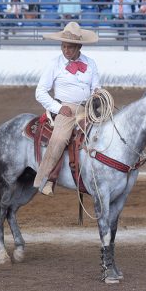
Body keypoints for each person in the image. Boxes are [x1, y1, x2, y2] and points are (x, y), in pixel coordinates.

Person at [34, 22, 100, 196]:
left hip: (87, 108)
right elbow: (40, 91)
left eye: (69, 47)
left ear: (79, 46)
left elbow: (96, 87)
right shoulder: (54, 64)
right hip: (67, 108)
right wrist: (58, 107)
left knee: (106, 133)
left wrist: (98, 94)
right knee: (60, 138)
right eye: (63, 46)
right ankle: (46, 179)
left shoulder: (90, 63)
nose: (65, 50)